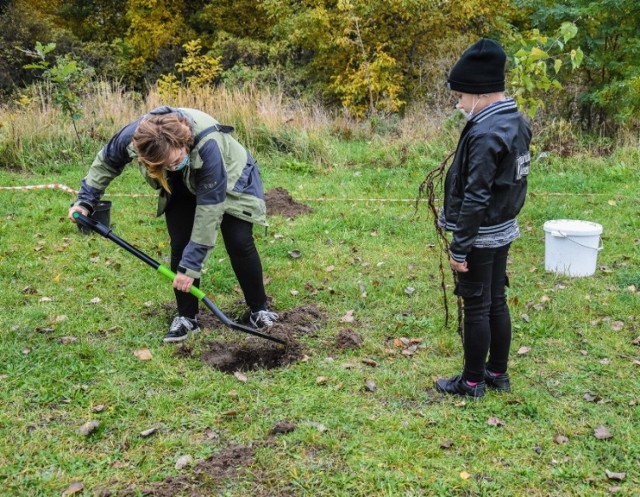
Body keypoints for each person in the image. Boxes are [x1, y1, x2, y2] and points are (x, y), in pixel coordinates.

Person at [68, 106, 278, 343]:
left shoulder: (208, 145)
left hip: (230, 177)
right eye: (165, 164)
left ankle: (259, 310)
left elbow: (209, 212)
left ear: (183, 141)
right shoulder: (136, 138)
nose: (172, 165)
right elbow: (106, 163)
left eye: (176, 159)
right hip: (179, 184)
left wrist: (191, 266)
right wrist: (85, 201)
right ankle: (187, 318)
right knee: (180, 242)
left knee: (239, 240)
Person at [434, 39, 532, 398]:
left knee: (476, 305)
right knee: (495, 301)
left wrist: (460, 248)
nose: (459, 104)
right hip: (503, 227)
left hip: (479, 232)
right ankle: (497, 372)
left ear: (479, 93)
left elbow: (476, 194)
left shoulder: (486, 131)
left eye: (461, 96)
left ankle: (472, 381)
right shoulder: (516, 120)